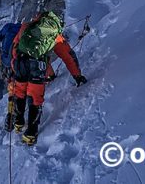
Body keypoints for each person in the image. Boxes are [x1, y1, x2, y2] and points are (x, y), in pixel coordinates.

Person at [8, 11, 87, 145]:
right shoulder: (54, 35)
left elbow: (14, 48)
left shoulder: (27, 27)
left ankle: (18, 123)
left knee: (19, 92)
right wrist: (77, 76)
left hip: (19, 62)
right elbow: (68, 57)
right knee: (35, 98)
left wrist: (15, 68)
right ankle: (31, 134)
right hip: (37, 65)